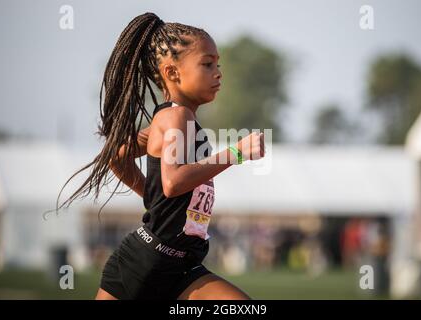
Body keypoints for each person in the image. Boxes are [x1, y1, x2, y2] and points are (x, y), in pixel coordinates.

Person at [54, 12, 265, 300]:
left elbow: (117, 157)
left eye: (218, 64)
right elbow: (174, 182)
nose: (218, 73)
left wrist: (151, 198)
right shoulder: (176, 116)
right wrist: (236, 152)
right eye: (207, 64)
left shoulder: (171, 121)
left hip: (181, 266)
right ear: (172, 73)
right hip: (144, 264)